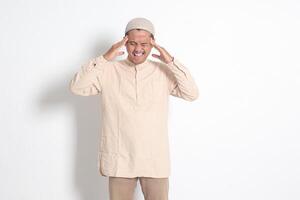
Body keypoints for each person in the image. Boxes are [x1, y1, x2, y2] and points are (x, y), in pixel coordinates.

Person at [69, 17, 199, 200]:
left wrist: (170, 60)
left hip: (155, 159)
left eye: (144, 43)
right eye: (132, 43)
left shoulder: (163, 72)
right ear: (124, 42)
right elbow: (77, 87)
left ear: (153, 44)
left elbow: (192, 93)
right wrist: (105, 57)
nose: (138, 49)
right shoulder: (108, 70)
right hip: (120, 159)